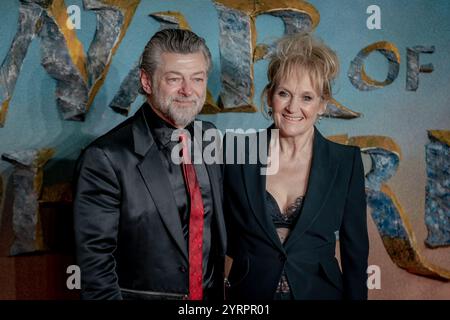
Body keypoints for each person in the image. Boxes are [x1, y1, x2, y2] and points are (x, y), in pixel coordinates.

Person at [73, 29, 226, 300]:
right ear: (146, 81)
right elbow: (96, 269)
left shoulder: (209, 137)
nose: (187, 90)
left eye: (197, 79)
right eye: (174, 79)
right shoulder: (105, 158)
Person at [223, 32, 369, 300]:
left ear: (322, 105)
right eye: (284, 94)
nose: (293, 107)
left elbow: (355, 251)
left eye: (306, 98)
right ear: (269, 97)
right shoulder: (235, 154)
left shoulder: (345, 162)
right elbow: (219, 235)